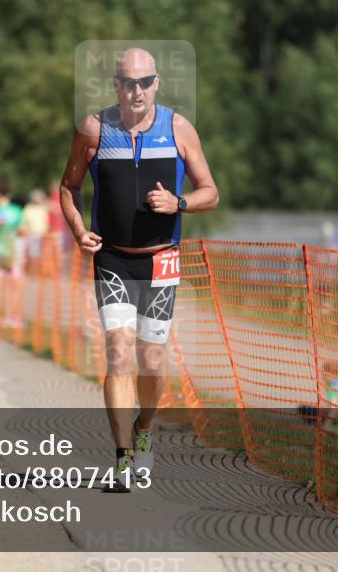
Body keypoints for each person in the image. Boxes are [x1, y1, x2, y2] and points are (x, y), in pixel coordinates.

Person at [59, 48, 219, 491]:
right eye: (128, 82)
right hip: (113, 259)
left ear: (157, 83)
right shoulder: (93, 128)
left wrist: (179, 202)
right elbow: (68, 187)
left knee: (151, 359)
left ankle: (145, 429)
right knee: (118, 352)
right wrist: (77, 230)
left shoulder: (178, 128)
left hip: (162, 259)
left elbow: (211, 192)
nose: (137, 91)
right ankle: (122, 456)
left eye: (144, 82)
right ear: (115, 84)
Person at [0, 181, 24, 328]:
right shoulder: (16, 211)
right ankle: (13, 317)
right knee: (15, 285)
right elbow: (22, 231)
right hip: (13, 251)